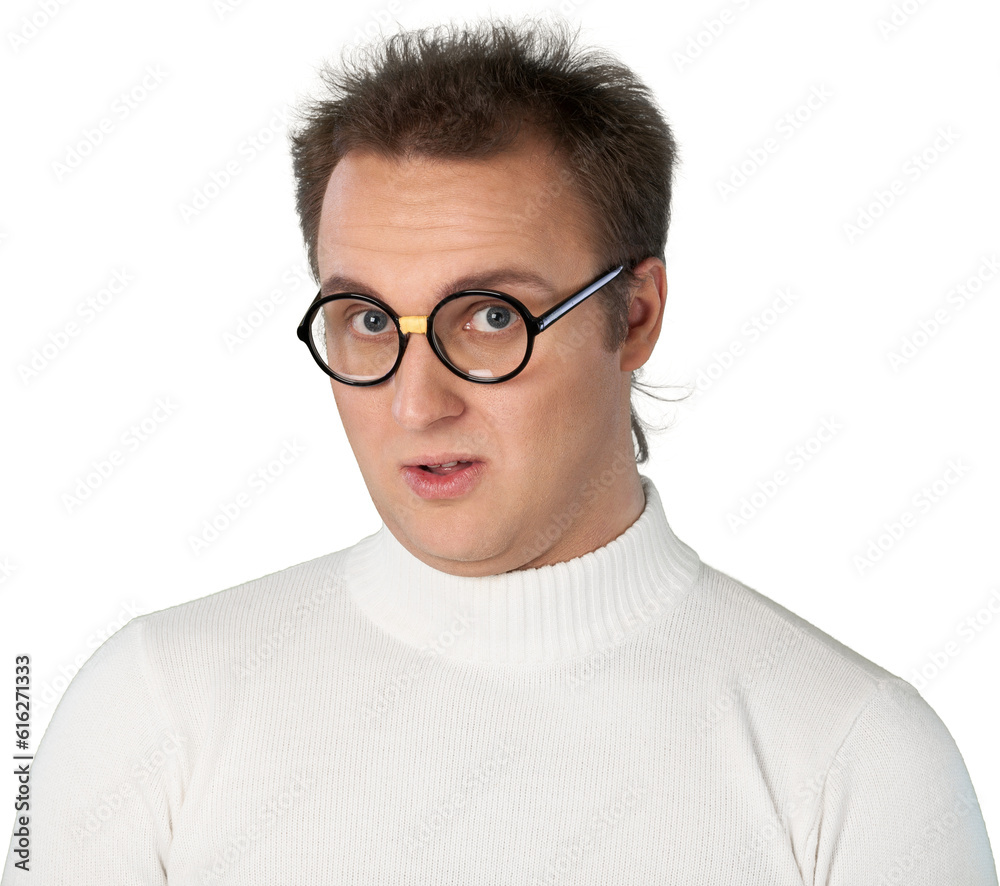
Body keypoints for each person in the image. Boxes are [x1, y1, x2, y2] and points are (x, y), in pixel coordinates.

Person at [3, 19, 996, 885]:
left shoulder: (853, 757)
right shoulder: (153, 706)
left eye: (489, 314)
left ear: (635, 313)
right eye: (363, 318)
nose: (414, 399)